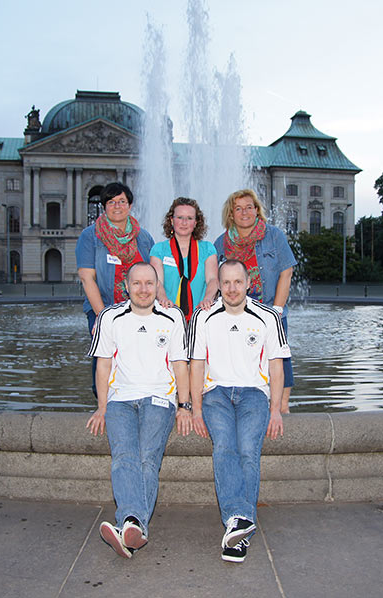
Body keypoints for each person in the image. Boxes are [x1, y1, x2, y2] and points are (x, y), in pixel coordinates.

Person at [86, 261, 192, 558]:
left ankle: (129, 522)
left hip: (159, 399)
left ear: (158, 286)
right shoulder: (110, 317)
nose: (143, 289)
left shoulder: (172, 317)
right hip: (120, 400)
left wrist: (184, 406)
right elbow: (103, 364)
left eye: (149, 283)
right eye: (137, 283)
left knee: (147, 457)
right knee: (123, 456)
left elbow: (180, 365)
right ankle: (134, 526)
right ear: (126, 287)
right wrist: (101, 406)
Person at [188, 259, 288, 563]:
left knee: (248, 449)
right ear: (218, 285)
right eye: (226, 282)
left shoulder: (268, 317)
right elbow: (196, 365)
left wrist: (275, 410)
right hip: (215, 393)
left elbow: (276, 366)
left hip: (254, 394)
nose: (232, 288)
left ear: (248, 283)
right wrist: (195, 410)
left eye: (238, 282)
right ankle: (240, 520)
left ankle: (237, 526)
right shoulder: (204, 317)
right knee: (224, 447)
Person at [214, 189, 297, 413]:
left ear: (257, 211)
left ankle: (283, 406)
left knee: (280, 356)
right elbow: (215, 279)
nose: (244, 212)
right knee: (242, 358)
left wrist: (277, 309)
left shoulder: (274, 236)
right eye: (238, 208)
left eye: (249, 207)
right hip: (236, 313)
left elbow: (286, 272)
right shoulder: (221, 243)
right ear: (231, 214)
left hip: (270, 309)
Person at [76, 182, 155, 394]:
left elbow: (153, 276)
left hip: (139, 311)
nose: (117, 206)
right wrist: (103, 317)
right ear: (104, 206)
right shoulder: (90, 236)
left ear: (130, 205)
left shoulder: (143, 237)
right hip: (103, 308)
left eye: (122, 201)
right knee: (106, 356)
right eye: (111, 202)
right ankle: (103, 401)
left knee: (138, 359)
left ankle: (135, 398)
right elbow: (87, 278)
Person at [149, 197, 219, 321]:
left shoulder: (208, 249)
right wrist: (163, 299)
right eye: (180, 217)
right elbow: (157, 281)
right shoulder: (159, 250)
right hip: (167, 314)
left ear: (196, 222)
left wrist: (208, 299)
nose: (184, 222)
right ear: (171, 220)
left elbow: (213, 279)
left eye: (189, 218)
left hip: (201, 314)